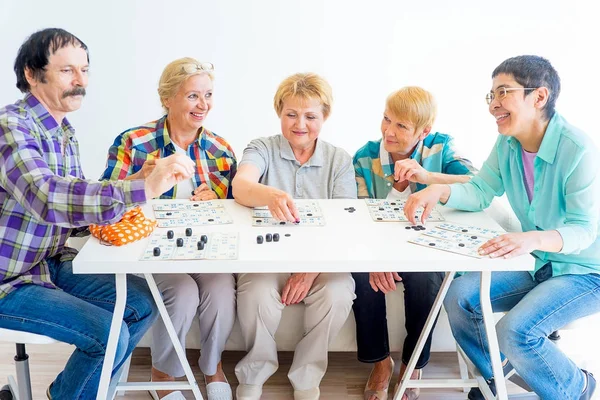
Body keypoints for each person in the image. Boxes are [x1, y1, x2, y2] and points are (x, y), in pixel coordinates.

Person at [0, 28, 195, 400]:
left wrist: (138, 178)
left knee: (140, 304)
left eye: (85, 71)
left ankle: (71, 394)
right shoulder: (11, 127)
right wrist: (142, 188)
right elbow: (47, 197)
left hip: (48, 261)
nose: (80, 82)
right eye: (67, 71)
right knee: (107, 333)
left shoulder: (63, 130)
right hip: (8, 278)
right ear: (31, 72)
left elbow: (76, 202)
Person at [404, 55, 600, 400]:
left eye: (503, 92)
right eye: (490, 95)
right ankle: (501, 373)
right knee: (459, 297)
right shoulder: (507, 144)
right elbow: (481, 190)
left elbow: (584, 230)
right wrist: (440, 190)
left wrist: (531, 239)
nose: (493, 104)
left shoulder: (578, 148)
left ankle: (576, 387)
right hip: (537, 261)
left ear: (539, 97)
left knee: (516, 331)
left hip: (585, 271)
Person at [100, 57, 236, 400]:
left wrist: (217, 197)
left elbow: (236, 208)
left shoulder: (221, 150)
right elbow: (103, 201)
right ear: (167, 98)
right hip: (148, 249)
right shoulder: (133, 142)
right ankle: (164, 373)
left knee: (221, 287)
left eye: (207, 95)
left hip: (202, 249)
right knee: (183, 290)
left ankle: (212, 365)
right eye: (192, 95)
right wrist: (146, 179)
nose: (203, 105)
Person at [231, 73, 356, 400]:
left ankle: (306, 375)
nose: (300, 124)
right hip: (267, 255)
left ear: (324, 117)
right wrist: (269, 195)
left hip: (323, 258)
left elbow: (344, 223)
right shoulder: (261, 148)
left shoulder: (339, 160)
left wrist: (309, 270)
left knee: (339, 291)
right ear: (279, 113)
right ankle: (255, 370)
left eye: (311, 116)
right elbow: (241, 185)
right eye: (291, 114)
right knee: (256, 290)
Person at [352, 86, 475, 400]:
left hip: (427, 247)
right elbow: (360, 215)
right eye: (386, 119)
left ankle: (412, 364)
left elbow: (478, 184)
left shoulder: (441, 148)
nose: (389, 131)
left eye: (401, 126)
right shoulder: (365, 157)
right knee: (363, 280)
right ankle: (380, 364)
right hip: (379, 246)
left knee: (424, 279)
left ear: (424, 131)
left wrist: (427, 176)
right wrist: (375, 261)